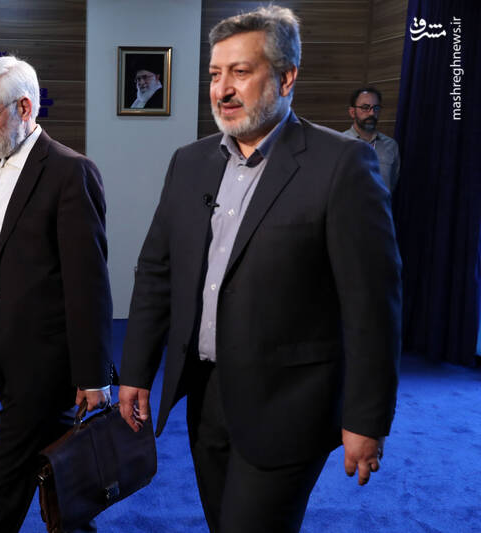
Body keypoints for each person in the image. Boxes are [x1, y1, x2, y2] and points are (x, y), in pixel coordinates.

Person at [118, 6, 401, 532]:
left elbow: (372, 307)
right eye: (214, 74)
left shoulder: (342, 165)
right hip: (205, 394)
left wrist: (367, 418)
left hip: (289, 402)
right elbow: (156, 271)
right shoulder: (189, 162)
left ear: (286, 78)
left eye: (240, 72)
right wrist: (136, 370)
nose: (222, 89)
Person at [0, 56, 114, 533]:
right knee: (60, 471)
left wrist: (93, 376)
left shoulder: (71, 172)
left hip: (43, 358)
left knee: (3, 481)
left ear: (25, 107)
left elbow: (89, 285)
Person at [343, 87, 401, 191]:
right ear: (352, 112)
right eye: (365, 107)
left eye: (376, 108)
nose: (372, 113)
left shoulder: (391, 145)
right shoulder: (339, 144)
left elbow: (392, 183)